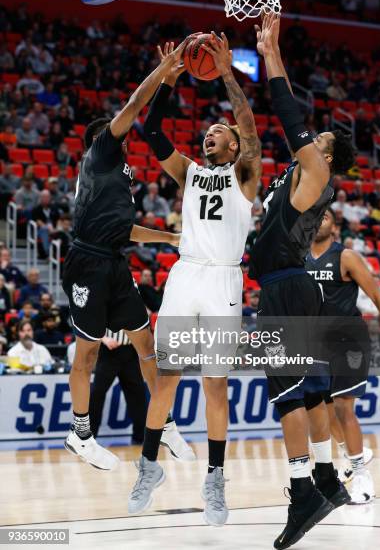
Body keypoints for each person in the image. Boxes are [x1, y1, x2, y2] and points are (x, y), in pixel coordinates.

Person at [129, 34, 261, 526]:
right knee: (166, 379)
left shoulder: (245, 173)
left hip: (225, 281)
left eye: (217, 132)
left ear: (231, 145)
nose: (211, 135)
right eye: (207, 132)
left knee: (215, 388)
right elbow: (153, 130)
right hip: (185, 276)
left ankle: (215, 481)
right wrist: (167, 77)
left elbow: (248, 127)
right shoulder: (187, 171)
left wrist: (226, 71)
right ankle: (147, 466)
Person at [61, 38, 195, 472]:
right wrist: (164, 74)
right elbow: (136, 104)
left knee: (146, 342)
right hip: (87, 262)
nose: (122, 133)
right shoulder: (100, 151)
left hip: (114, 258)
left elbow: (125, 229)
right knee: (86, 353)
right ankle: (80, 434)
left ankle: (165, 423)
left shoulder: (116, 176)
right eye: (115, 130)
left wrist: (169, 238)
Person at [249, 14, 356, 550]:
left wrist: (272, 53)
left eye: (322, 139)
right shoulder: (295, 177)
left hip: (287, 288)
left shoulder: (315, 169)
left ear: (328, 156)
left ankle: (301, 494)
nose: (313, 137)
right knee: (313, 395)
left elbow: (288, 111)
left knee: (287, 397)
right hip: (296, 289)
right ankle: (327, 479)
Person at [305, 209, 380, 503]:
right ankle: (352, 453)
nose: (318, 219)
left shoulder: (346, 257)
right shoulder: (299, 258)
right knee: (320, 409)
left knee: (342, 408)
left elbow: (377, 296)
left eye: (325, 216)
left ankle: (361, 473)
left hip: (348, 340)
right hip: (315, 343)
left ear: (335, 227)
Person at [89, 329, 148, 444]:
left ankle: (141, 436)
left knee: (138, 395)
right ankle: (89, 437)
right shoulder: (104, 310)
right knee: (97, 393)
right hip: (108, 351)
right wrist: (103, 338)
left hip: (131, 352)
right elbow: (91, 322)